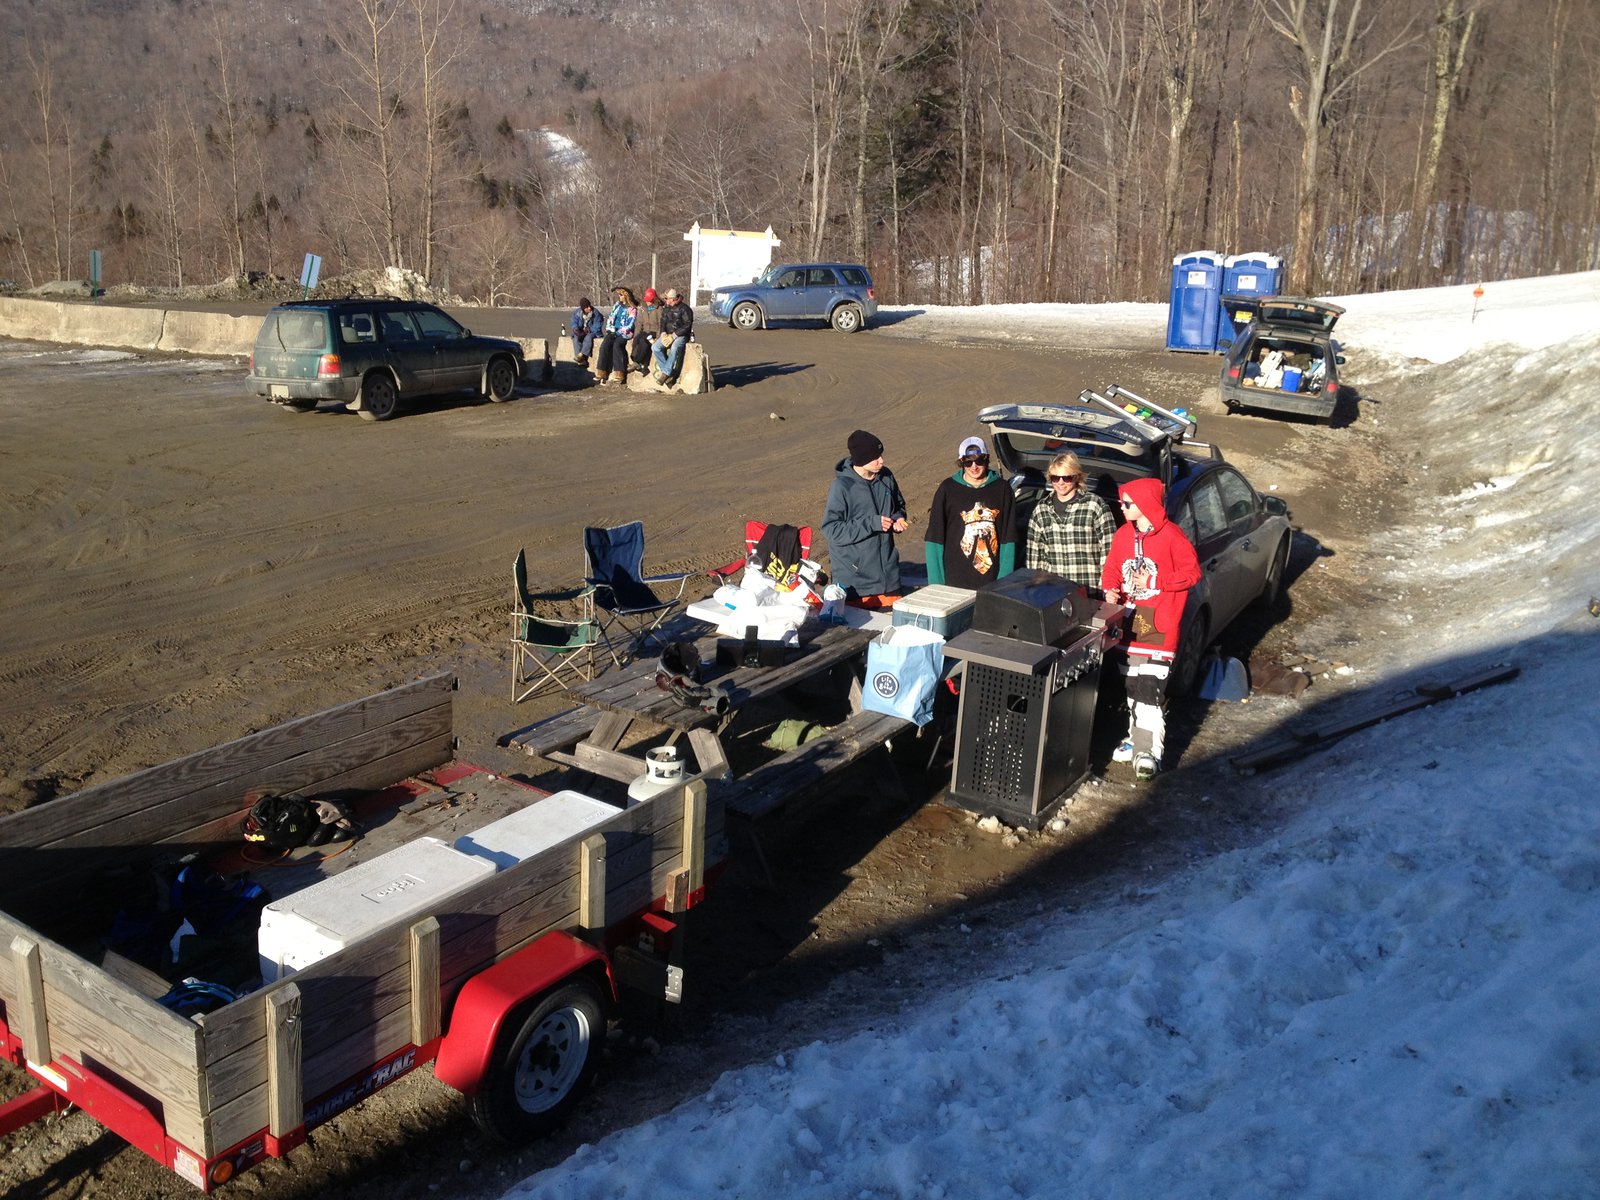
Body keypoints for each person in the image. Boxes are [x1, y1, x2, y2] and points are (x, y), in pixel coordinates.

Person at [1099, 476, 1202, 781]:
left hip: (1158, 619)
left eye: (1127, 502)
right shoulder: (1122, 535)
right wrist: (1110, 590)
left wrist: (1156, 582)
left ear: (1144, 505)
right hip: (1132, 617)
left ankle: (1149, 751)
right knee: (1131, 685)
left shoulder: (1172, 536)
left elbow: (1192, 573)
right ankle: (1136, 739)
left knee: (1149, 689)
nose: (1121, 505)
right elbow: (1112, 569)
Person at [822, 429, 908, 602]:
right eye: (876, 457)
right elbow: (831, 530)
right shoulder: (841, 487)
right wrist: (871, 523)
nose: (881, 461)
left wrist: (898, 517)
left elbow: (898, 505)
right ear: (861, 459)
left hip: (889, 579)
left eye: (881, 455)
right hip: (856, 585)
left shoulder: (886, 477)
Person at [924, 436, 1016, 589]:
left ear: (986, 459)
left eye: (979, 460)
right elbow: (934, 539)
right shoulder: (947, 489)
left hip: (992, 583)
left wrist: (1004, 583)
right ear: (961, 462)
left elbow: (1009, 538)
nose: (974, 467)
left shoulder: (1002, 489)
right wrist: (936, 585)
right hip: (954, 582)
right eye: (968, 462)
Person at [1026, 450, 1115, 587]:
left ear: (1077, 477)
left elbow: (1110, 551)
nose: (1061, 483)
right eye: (1055, 478)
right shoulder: (1040, 509)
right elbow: (1035, 557)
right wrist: (1037, 589)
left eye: (1066, 478)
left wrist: (1105, 587)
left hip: (1089, 589)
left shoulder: (1095, 505)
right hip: (1054, 592)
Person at [594, 286, 637, 385]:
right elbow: (611, 318)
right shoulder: (617, 305)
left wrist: (619, 332)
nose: (619, 297)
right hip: (613, 331)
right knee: (605, 344)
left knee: (617, 345)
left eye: (621, 295)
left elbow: (630, 323)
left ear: (626, 296)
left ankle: (619, 372)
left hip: (625, 333)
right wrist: (609, 329)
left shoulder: (632, 309)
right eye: (619, 295)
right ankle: (602, 371)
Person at [651, 288, 694, 383]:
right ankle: (667, 374)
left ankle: (665, 373)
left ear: (673, 299)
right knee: (655, 347)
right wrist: (663, 333)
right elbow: (663, 321)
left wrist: (674, 335)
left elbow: (687, 324)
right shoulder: (666, 308)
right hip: (667, 334)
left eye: (667, 298)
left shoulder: (685, 309)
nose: (665, 301)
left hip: (681, 335)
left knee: (675, 347)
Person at [630, 287, 663, 373]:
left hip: (654, 331)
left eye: (649, 300)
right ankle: (634, 360)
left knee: (644, 341)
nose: (648, 302)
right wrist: (635, 335)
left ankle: (638, 362)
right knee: (637, 339)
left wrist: (659, 337)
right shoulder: (642, 308)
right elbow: (639, 323)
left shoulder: (658, 309)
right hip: (645, 330)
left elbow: (661, 323)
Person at [568, 297, 602, 365]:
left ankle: (582, 355)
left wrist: (589, 330)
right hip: (581, 331)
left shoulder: (596, 313)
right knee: (576, 338)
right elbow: (573, 322)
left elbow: (598, 325)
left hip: (593, 332)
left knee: (588, 338)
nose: (589, 308)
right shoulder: (577, 313)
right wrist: (576, 330)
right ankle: (580, 360)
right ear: (583, 308)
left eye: (589, 306)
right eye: (587, 307)